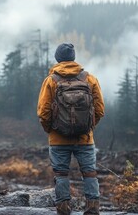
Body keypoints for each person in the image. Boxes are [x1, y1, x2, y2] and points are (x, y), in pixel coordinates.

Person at [37, 43, 105, 215]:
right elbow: (100, 110)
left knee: (61, 175)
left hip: (58, 139)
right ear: (73, 58)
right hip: (85, 138)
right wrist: (88, 127)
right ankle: (92, 210)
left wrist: (51, 130)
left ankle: (64, 210)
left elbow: (43, 112)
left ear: (57, 58)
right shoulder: (89, 79)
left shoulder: (51, 80)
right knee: (89, 173)